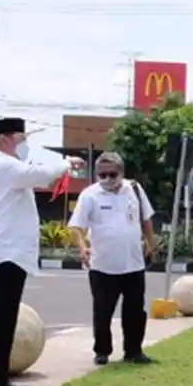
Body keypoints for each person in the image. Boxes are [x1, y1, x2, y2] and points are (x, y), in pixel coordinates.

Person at [0, 118, 72, 386]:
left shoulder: (6, 169)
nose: (24, 143)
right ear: (4, 139)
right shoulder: (2, 166)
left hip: (10, 255)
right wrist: (65, 165)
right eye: (20, 137)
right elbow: (40, 175)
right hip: (3, 255)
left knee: (5, 321)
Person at [68, 152, 156, 366]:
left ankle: (134, 351)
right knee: (102, 312)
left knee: (135, 311)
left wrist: (151, 244)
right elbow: (77, 226)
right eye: (102, 175)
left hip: (133, 263)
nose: (106, 178)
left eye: (111, 174)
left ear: (121, 172)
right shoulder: (90, 194)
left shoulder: (134, 189)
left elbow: (146, 220)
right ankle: (102, 351)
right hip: (102, 264)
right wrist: (82, 247)